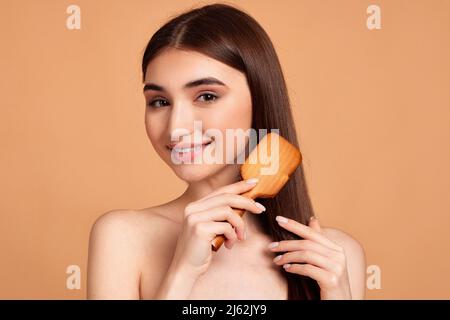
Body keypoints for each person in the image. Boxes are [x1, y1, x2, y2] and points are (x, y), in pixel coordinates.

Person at [87, 3, 366, 300]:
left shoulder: (336, 258)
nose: (176, 127)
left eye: (206, 96)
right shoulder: (122, 239)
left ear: (259, 100)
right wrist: (182, 272)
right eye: (159, 101)